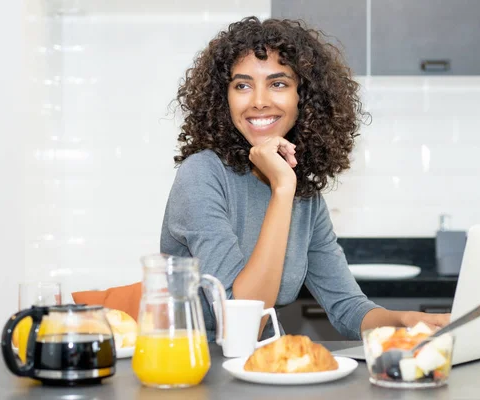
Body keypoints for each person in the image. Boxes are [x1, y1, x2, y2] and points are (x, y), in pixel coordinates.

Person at [160, 16, 449, 342]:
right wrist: (283, 189)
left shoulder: (304, 195)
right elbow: (241, 322)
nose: (258, 100)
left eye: (278, 83)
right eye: (242, 85)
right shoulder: (202, 175)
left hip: (264, 372)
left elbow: (348, 307)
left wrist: (408, 321)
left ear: (304, 96)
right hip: (198, 375)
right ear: (223, 99)